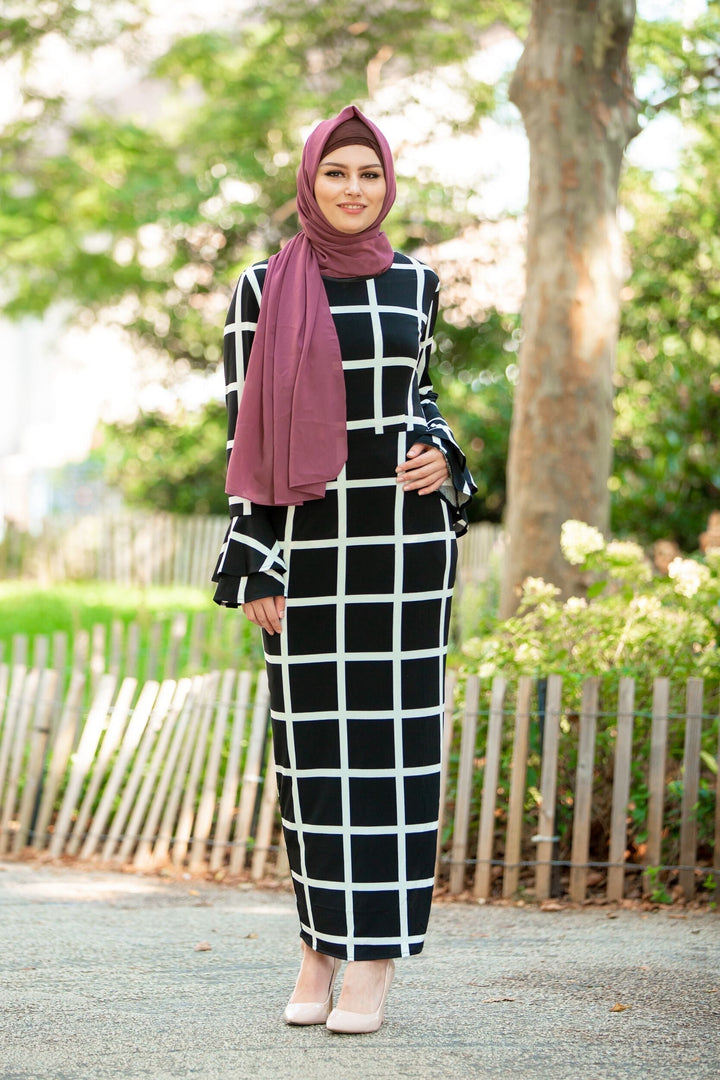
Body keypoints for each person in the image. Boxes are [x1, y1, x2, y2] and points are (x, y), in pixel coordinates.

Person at [212, 104, 476, 1035]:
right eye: (338, 173)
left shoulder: (417, 283)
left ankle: (373, 962)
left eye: (370, 173)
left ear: (388, 183)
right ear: (310, 180)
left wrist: (444, 455)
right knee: (315, 753)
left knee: (396, 754)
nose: (355, 189)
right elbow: (246, 427)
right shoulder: (261, 286)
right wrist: (256, 558)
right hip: (312, 548)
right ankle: (320, 946)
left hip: (404, 550)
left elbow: (424, 398)